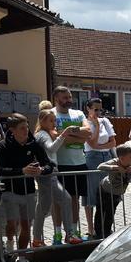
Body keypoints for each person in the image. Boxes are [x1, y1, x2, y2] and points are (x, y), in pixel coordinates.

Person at [0, 114, 53, 262]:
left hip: (29, 191)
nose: (26, 130)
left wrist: (41, 170)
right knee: (11, 224)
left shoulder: (33, 144)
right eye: (22, 128)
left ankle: (21, 257)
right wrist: (22, 170)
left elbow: (49, 165)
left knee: (26, 225)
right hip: (10, 191)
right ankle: (9, 245)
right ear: (12, 130)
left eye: (27, 127)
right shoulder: (3, 146)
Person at [32, 110, 82, 246]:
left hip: (48, 174)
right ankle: (69, 234)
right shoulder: (42, 134)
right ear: (42, 121)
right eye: (51, 121)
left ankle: (37, 239)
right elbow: (52, 148)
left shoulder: (41, 134)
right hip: (48, 174)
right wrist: (64, 134)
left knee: (42, 207)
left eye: (55, 120)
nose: (54, 123)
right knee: (64, 199)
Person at [51, 86, 92, 240]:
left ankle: (73, 231)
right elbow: (54, 135)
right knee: (58, 201)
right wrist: (78, 135)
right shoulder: (51, 114)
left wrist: (67, 133)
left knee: (74, 199)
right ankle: (57, 232)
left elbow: (88, 132)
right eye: (65, 97)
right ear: (56, 98)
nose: (69, 100)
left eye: (69, 97)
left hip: (79, 163)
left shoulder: (78, 113)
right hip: (60, 164)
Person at [95, 144, 131, 239]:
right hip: (105, 190)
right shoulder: (115, 162)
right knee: (101, 211)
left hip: (117, 193)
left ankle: (107, 232)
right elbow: (100, 166)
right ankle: (98, 233)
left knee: (111, 212)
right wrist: (115, 168)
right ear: (122, 158)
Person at [84, 98, 116, 237]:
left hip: (106, 157)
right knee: (92, 194)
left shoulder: (106, 121)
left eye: (100, 109)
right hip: (92, 158)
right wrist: (96, 126)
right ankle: (91, 228)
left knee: (106, 193)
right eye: (95, 109)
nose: (98, 112)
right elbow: (92, 143)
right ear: (88, 109)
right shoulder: (85, 123)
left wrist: (101, 147)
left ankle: (104, 226)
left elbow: (113, 141)